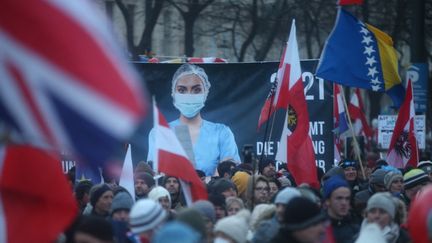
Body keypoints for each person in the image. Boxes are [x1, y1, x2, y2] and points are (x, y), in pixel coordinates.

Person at [147, 63, 240, 176]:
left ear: (206, 92)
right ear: (173, 93)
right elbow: (155, 174)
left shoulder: (221, 133)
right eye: (182, 90)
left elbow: (230, 171)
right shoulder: (160, 133)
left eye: (196, 90)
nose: (189, 95)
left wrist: (210, 181)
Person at [323, 175, 360, 243]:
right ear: (327, 201)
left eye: (347, 198)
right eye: (339, 198)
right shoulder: (318, 231)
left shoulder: (357, 231)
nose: (344, 203)